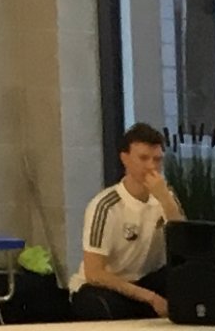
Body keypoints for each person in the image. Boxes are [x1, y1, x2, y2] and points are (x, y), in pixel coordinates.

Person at [71, 124, 178, 320]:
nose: (151, 167)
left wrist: (165, 199)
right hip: (109, 285)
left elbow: (185, 245)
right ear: (125, 159)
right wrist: (149, 298)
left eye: (157, 159)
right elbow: (94, 272)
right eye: (143, 158)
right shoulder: (105, 206)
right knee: (101, 306)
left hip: (146, 279)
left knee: (187, 280)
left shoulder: (166, 198)